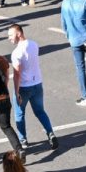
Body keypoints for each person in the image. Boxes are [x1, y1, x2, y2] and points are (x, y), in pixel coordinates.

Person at [8, 23, 58, 151]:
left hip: (24, 87)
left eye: (10, 35)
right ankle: (50, 133)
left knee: (19, 114)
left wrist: (16, 91)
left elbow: (17, 74)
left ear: (19, 33)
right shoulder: (34, 44)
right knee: (40, 111)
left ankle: (23, 140)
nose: (9, 38)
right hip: (37, 84)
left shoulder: (16, 53)